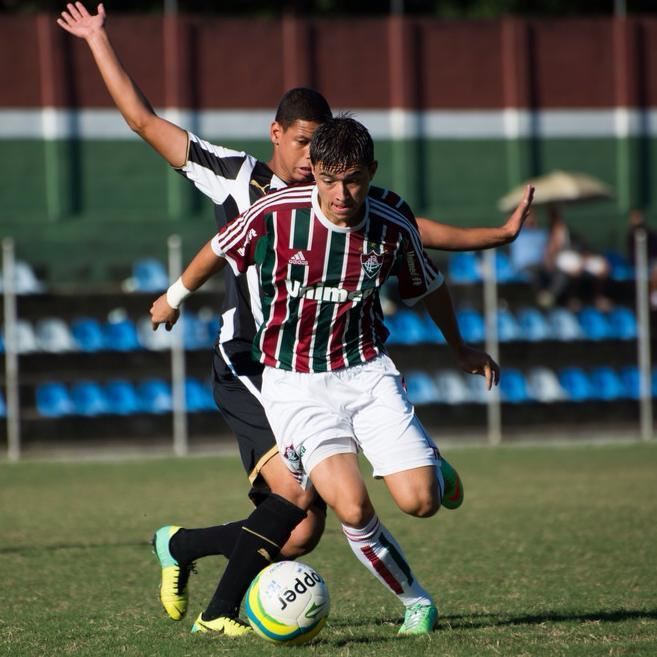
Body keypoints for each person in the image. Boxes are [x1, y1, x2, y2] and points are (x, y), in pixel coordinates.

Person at [57, 1, 533, 637]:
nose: (315, 159)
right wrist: (96, 39)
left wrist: (495, 236)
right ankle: (220, 614)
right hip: (254, 364)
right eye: (305, 141)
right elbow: (143, 121)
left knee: (303, 529)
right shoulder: (242, 183)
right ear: (277, 134)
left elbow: (416, 232)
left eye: (325, 144)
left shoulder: (353, 200)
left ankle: (184, 548)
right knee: (300, 504)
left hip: (342, 362)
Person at [150, 115, 501, 636]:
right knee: (349, 506)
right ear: (313, 171)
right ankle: (417, 603)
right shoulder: (275, 212)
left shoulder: (390, 223)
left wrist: (460, 347)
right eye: (330, 179)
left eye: (353, 179)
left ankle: (428, 462)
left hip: (366, 373)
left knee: (420, 502)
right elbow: (217, 249)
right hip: (296, 383)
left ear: (371, 172)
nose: (341, 193)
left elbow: (427, 284)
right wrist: (173, 297)